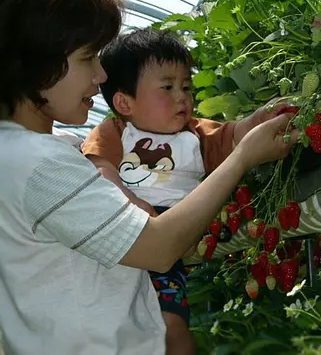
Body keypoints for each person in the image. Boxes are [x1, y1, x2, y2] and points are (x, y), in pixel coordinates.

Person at [0, 0, 298, 355]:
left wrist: (243, 131)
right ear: (39, 61)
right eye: (88, 58)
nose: (101, 76)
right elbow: (158, 250)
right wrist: (242, 157)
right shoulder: (39, 164)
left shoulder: (23, 153)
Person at [81, 28, 287, 355]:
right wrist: (133, 203)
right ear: (124, 102)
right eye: (167, 87)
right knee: (117, 328)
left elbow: (235, 136)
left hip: (172, 240)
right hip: (125, 237)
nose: (182, 96)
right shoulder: (116, 131)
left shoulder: (196, 134)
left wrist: (262, 118)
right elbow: (101, 172)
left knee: (171, 322)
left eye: (186, 87)